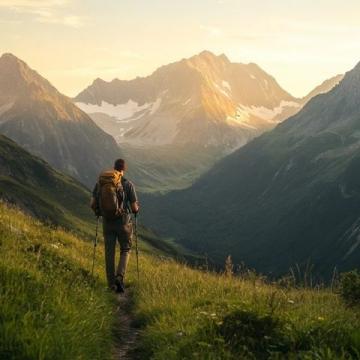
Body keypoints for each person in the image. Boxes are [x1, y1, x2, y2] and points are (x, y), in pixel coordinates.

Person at [90, 158, 139, 293]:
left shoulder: (101, 184)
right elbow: (134, 208)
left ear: (114, 168)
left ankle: (111, 284)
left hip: (107, 222)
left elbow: (92, 204)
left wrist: (99, 212)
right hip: (123, 222)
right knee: (125, 249)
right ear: (123, 169)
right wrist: (136, 210)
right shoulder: (128, 184)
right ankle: (120, 276)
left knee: (109, 252)